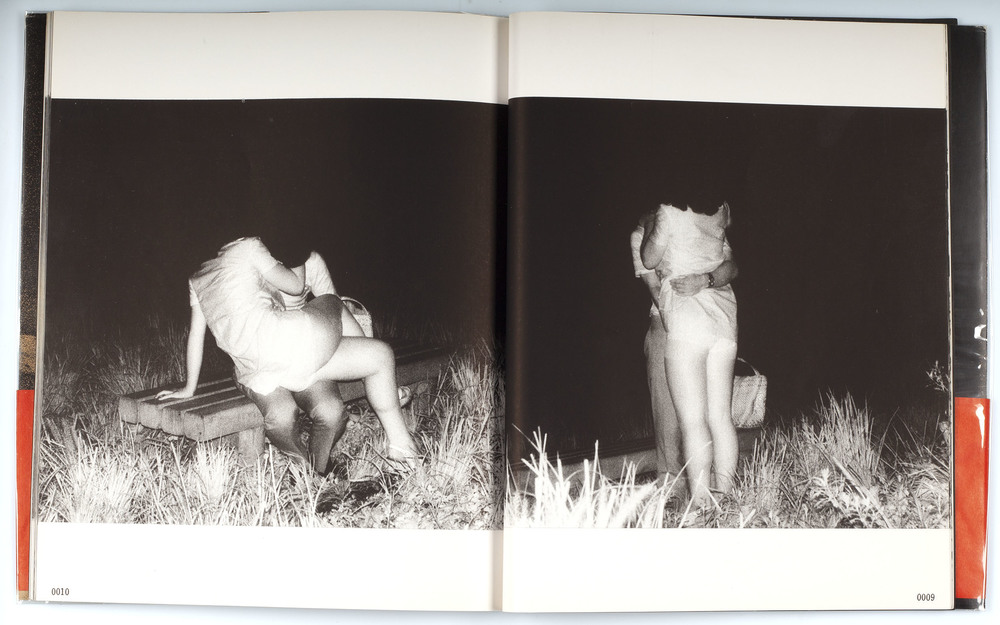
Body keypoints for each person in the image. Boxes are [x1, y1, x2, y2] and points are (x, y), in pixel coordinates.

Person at [157, 236, 417, 474]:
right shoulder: (248, 247)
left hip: (272, 358)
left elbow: (195, 336)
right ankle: (396, 449)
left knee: (332, 408)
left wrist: (189, 388)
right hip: (288, 349)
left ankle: (316, 472)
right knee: (358, 331)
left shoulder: (197, 278)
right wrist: (297, 251)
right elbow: (296, 286)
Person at [641, 201, 739, 509]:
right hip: (723, 320)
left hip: (688, 322)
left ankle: (701, 506)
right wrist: (706, 279)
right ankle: (725, 499)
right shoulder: (720, 212)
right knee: (721, 418)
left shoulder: (668, 213)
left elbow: (648, 258)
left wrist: (651, 227)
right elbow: (731, 266)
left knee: (693, 422)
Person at [630, 212, 685, 495]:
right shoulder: (639, 236)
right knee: (666, 414)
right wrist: (676, 325)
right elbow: (654, 288)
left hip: (700, 320)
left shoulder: (684, 217)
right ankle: (672, 488)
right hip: (664, 323)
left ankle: (708, 482)